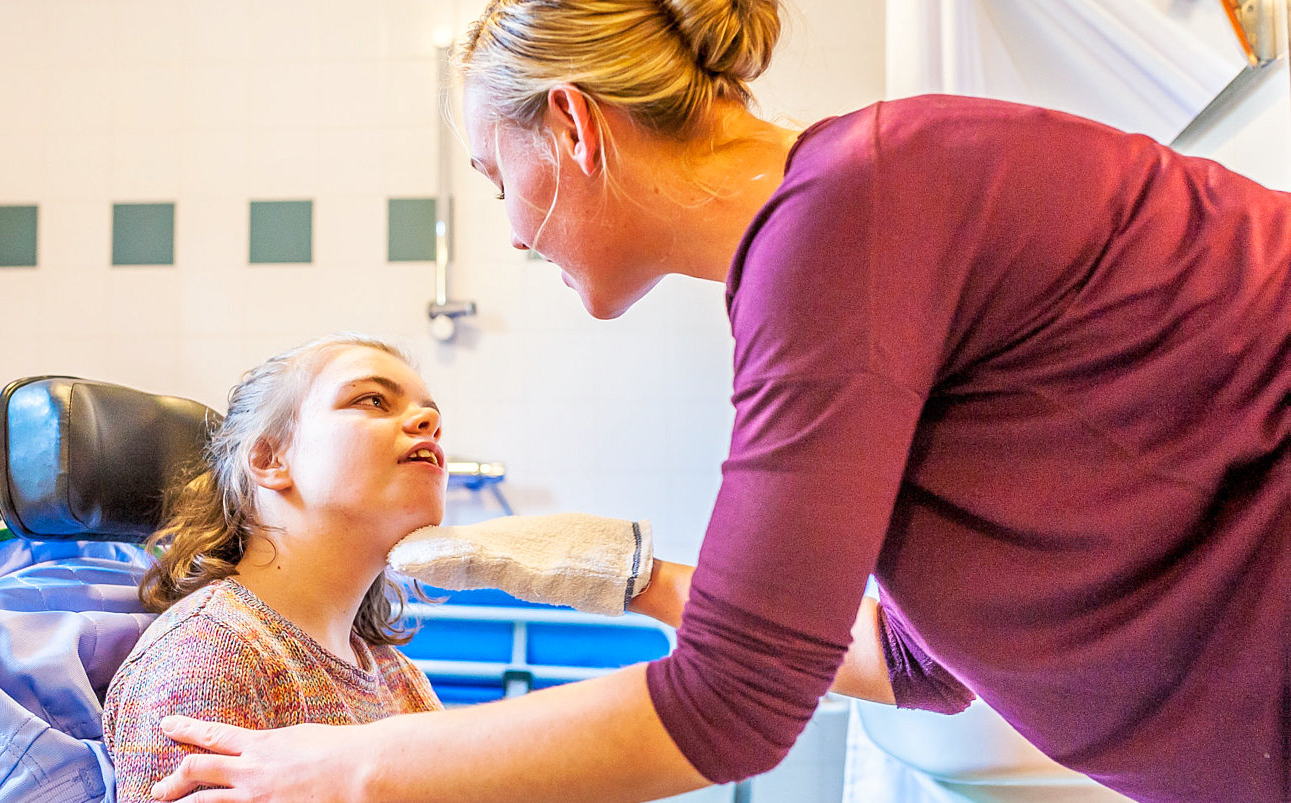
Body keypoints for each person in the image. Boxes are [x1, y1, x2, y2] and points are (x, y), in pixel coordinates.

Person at [144, 1, 1290, 801]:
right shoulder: (837, 232)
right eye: (366, 399)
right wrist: (636, 578)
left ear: (576, 129)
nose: (504, 226)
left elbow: (736, 702)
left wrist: (342, 767)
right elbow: (925, 660)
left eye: (499, 178)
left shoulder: (850, 217)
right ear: (268, 467)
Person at [101, 332, 448, 803]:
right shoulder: (210, 657)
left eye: (432, 416)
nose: (428, 422)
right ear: (269, 459)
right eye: (372, 400)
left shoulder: (397, 676)